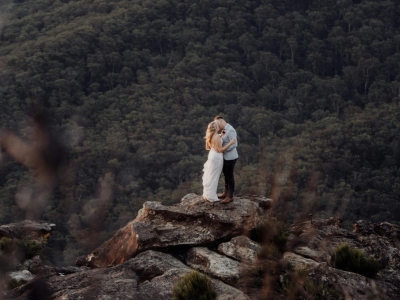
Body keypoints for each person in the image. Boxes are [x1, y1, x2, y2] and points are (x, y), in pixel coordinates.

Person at [202, 121, 236, 202]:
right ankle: (212, 196)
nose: (219, 125)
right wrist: (230, 143)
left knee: (210, 174)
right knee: (215, 176)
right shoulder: (216, 136)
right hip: (217, 157)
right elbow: (221, 150)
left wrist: (220, 136)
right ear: (215, 127)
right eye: (217, 125)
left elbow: (208, 148)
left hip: (211, 155)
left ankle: (208, 194)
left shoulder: (209, 136)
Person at [214, 116, 238, 204]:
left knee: (229, 176)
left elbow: (234, 144)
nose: (217, 126)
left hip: (230, 157)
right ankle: (226, 192)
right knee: (226, 174)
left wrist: (223, 149)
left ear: (221, 121)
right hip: (225, 157)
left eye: (217, 123)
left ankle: (230, 196)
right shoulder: (224, 130)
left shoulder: (230, 130)